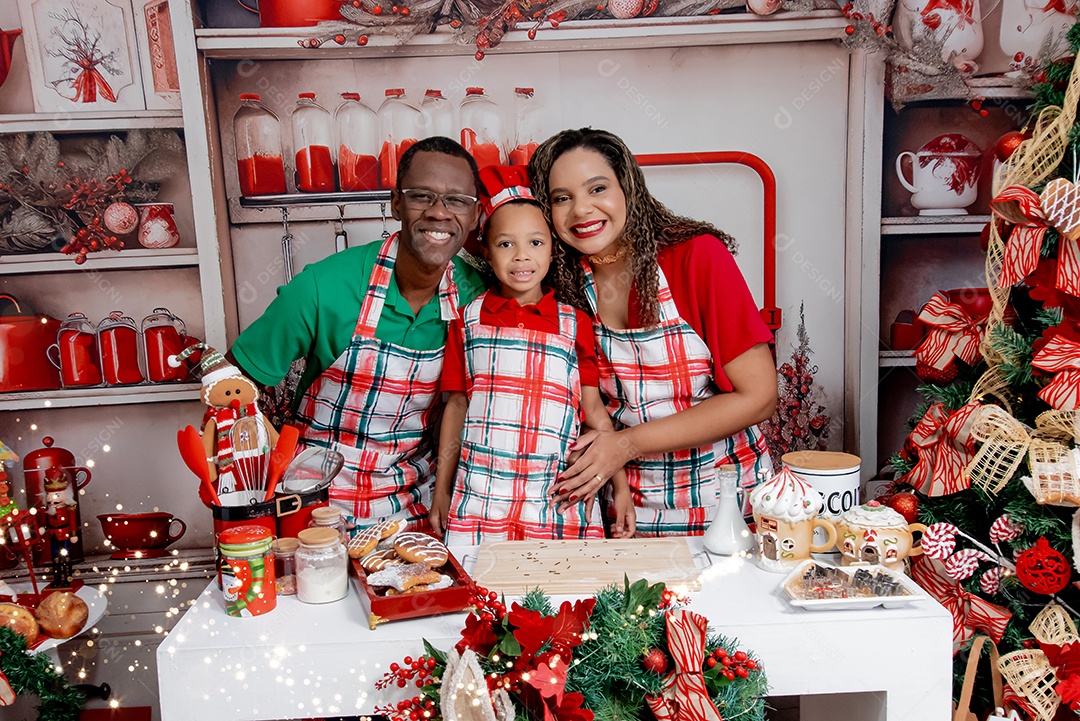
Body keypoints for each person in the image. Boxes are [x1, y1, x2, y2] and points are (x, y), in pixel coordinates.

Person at [527, 128, 778, 537]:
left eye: (597, 188)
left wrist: (626, 445)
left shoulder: (696, 257)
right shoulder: (562, 283)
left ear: (628, 187)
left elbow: (759, 396)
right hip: (628, 514)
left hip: (728, 507)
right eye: (561, 198)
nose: (581, 210)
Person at [230, 137, 487, 532]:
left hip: (418, 511)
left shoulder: (478, 298)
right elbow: (232, 387)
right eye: (422, 196)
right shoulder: (323, 286)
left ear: (474, 215)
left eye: (456, 201)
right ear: (395, 202)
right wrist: (251, 497)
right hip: (313, 508)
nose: (439, 213)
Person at [429, 165, 635, 543]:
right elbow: (456, 407)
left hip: (556, 497)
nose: (522, 256)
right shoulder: (468, 319)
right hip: (481, 497)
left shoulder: (575, 325)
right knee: (482, 593)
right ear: (487, 254)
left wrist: (619, 487)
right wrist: (442, 489)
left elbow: (593, 412)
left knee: (560, 596)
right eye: (507, 244)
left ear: (553, 250)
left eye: (536, 243)